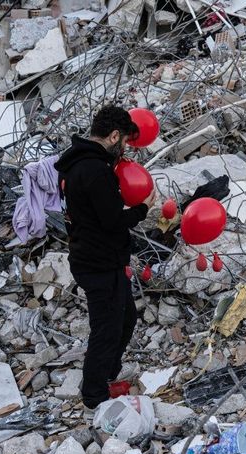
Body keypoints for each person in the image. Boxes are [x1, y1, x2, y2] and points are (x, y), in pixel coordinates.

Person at [55, 105, 155, 410]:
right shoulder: (95, 170)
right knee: (107, 328)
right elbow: (112, 220)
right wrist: (143, 209)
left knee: (125, 319)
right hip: (98, 263)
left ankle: (108, 374)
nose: (124, 148)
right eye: (123, 140)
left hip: (101, 259)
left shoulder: (83, 163)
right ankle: (95, 395)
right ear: (113, 136)